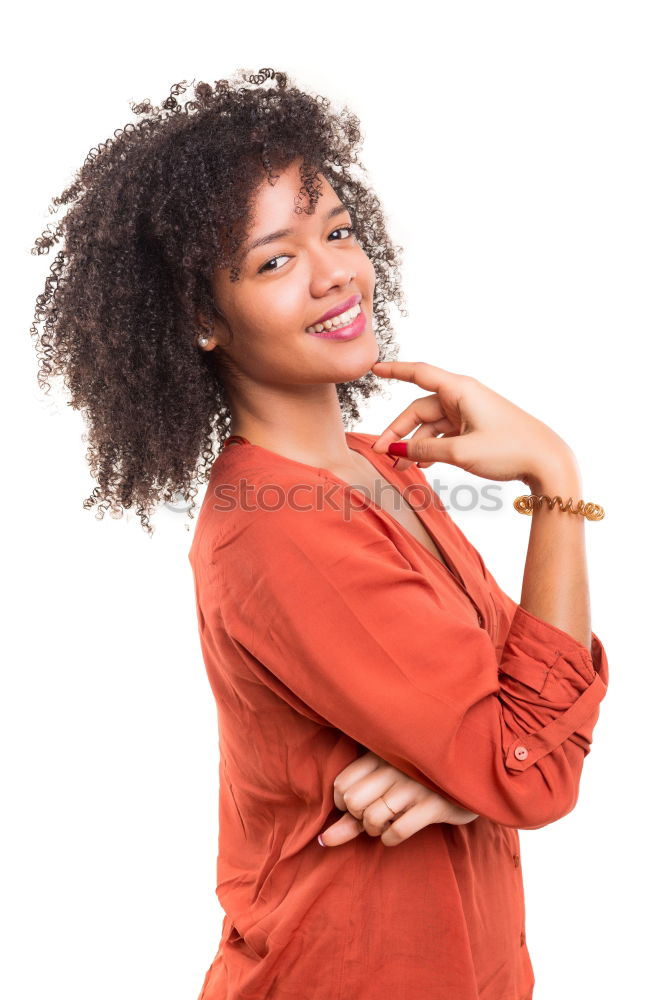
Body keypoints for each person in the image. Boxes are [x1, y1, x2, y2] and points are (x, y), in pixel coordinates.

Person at [30, 69, 609, 1000]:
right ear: (200, 321)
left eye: (335, 230)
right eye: (274, 260)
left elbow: (532, 707)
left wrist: (464, 776)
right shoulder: (275, 534)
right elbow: (535, 762)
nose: (337, 270)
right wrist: (556, 478)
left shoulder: (384, 468)